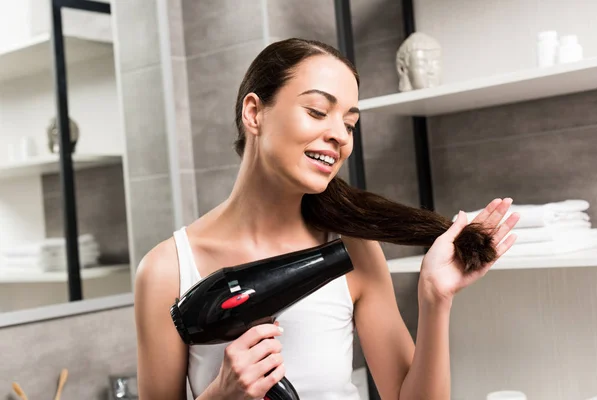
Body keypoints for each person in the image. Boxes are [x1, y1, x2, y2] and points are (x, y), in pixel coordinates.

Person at [134, 37, 520, 400]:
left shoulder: (350, 251)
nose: (341, 136)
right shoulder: (168, 269)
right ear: (254, 113)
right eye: (317, 111)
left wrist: (436, 298)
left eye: (350, 123)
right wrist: (222, 394)